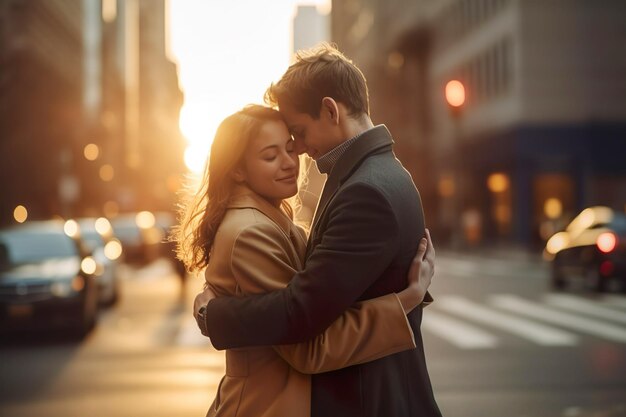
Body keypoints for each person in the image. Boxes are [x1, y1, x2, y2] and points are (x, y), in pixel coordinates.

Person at [194, 43, 441, 417]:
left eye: (298, 133)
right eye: (273, 151)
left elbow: (300, 314)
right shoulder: (379, 172)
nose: (299, 150)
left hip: (369, 399)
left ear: (330, 110)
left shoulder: (365, 190)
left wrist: (215, 316)